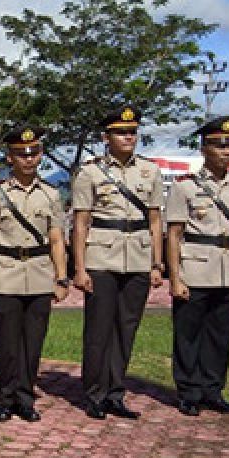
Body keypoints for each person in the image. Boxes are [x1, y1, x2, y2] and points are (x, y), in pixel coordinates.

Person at [71, 106, 164, 420]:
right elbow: (81, 223)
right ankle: (95, 392)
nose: (128, 137)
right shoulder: (91, 173)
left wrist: (156, 264)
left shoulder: (150, 172)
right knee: (99, 330)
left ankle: (115, 392)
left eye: (132, 132)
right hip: (101, 257)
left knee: (126, 329)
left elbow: (155, 220)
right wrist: (80, 268)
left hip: (137, 257)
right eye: (121, 132)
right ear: (105, 137)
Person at [0, 125, 70, 423]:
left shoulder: (51, 195)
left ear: (41, 155)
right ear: (9, 158)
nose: (28, 159)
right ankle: (5, 398)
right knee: (7, 342)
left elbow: (56, 239)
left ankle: (26, 398)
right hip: (6, 274)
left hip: (41, 275)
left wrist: (61, 277)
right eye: (21, 154)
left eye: (33, 153)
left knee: (33, 341)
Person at [165, 116, 229, 416]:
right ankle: (188, 392)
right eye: (218, 145)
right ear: (204, 149)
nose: (225, 151)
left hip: (228, 269)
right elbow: (174, 235)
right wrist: (174, 277)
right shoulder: (184, 188)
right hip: (195, 268)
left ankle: (213, 390)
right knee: (189, 335)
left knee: (220, 335)